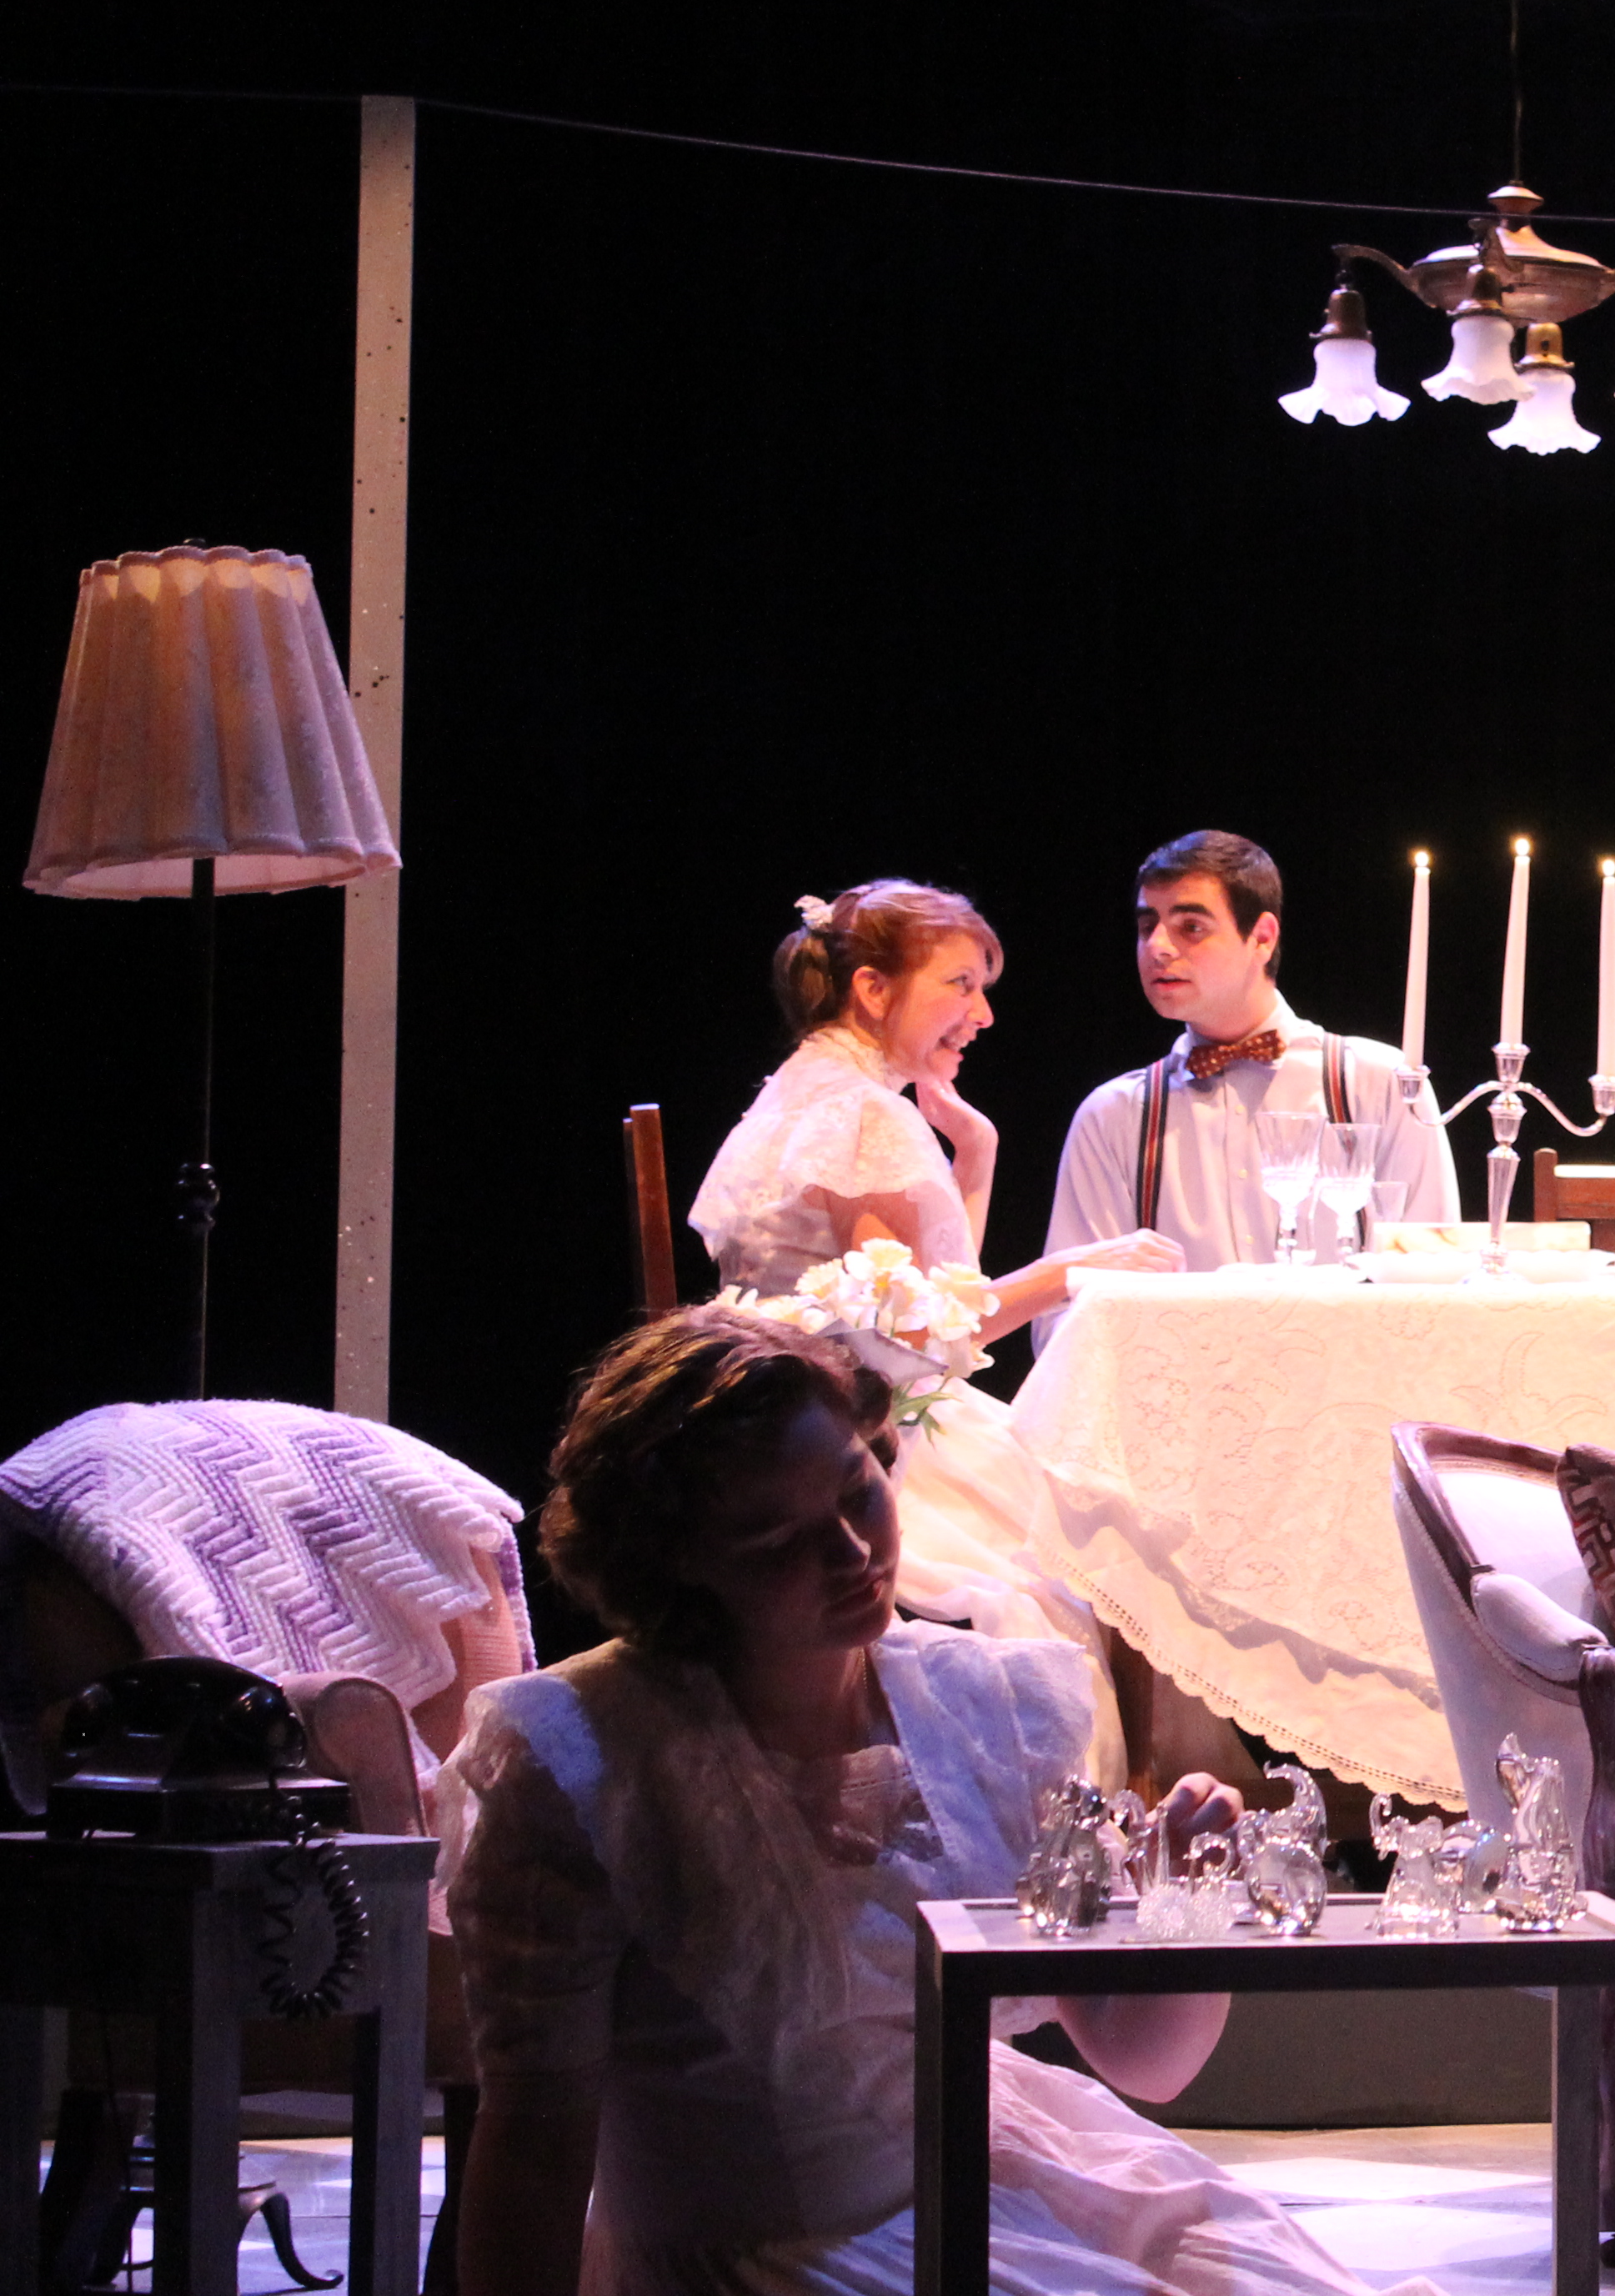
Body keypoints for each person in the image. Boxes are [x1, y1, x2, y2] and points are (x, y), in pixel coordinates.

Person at [447, 1307, 1437, 2296]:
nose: (851, 1550)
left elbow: (1147, 2062)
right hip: (769, 2255)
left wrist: (1183, 1901)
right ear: (680, 1563)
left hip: (1002, 2185)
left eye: (857, 1490)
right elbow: (532, 2147)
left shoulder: (988, 1710)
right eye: (778, 1539)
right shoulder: (580, 1760)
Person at [689, 879, 1180, 1785]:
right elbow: (913, 1334)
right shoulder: (864, 1115)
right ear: (874, 990)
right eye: (959, 984)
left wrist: (975, 1155)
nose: (982, 1014)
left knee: (1102, 1530)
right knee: (1097, 1555)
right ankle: (1081, 1822)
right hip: (856, 1440)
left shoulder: (818, 1087)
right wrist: (1074, 1269)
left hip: (828, 1409)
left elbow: (930, 1298)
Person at [1043, 830, 1459, 1286]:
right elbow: (1070, 1309)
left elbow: (1433, 1278)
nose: (1158, 946)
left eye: (1191, 927)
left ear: (1262, 938)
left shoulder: (1380, 1083)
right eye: (1147, 927)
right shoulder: (1115, 1117)